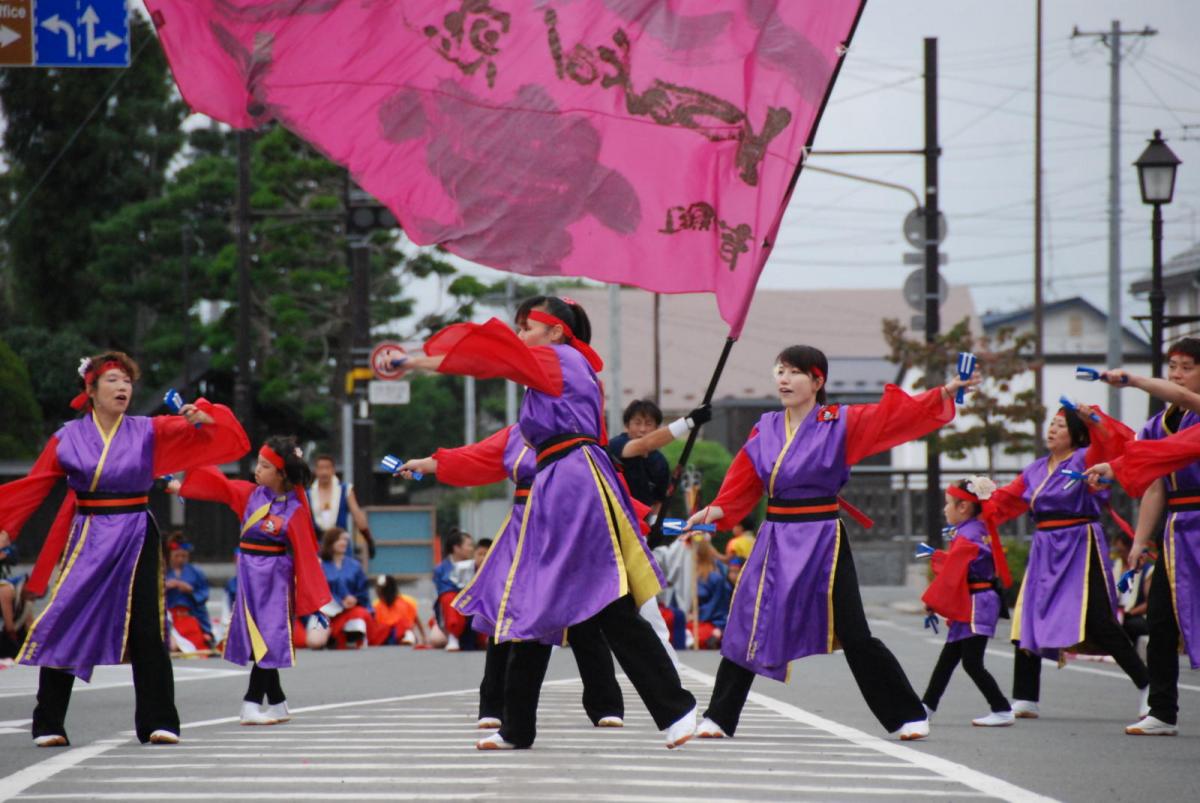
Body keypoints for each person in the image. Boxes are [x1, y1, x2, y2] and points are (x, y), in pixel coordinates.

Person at [398, 295, 698, 750]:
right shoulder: (548, 381)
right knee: (535, 607)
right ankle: (517, 727)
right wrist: (430, 461)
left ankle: (675, 708)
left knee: (610, 607)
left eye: (527, 327)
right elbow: (483, 452)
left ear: (556, 331)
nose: (520, 337)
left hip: (575, 481)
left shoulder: (561, 359)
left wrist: (415, 361)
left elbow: (489, 356)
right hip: (557, 488)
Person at [684, 345, 979, 742]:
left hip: (822, 536)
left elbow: (893, 415)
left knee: (855, 633)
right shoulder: (767, 427)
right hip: (775, 537)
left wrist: (943, 391)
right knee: (748, 624)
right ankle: (718, 717)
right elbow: (743, 483)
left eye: (794, 372)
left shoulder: (839, 421)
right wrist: (712, 513)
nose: (783, 379)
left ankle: (907, 713)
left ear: (817, 380)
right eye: (779, 371)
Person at [0, 351, 249, 746]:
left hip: (136, 532)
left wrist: (205, 418)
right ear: (91, 390)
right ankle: (48, 722)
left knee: (147, 627)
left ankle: (159, 720)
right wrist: (6, 529)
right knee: (66, 618)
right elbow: (36, 485)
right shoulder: (67, 437)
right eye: (113, 380)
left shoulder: (148, 430)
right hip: (88, 535)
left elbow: (218, 439)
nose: (122, 388)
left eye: (127, 382)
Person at [401, 423, 625, 729]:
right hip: (522, 531)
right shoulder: (516, 435)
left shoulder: (581, 429)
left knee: (582, 614)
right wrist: (426, 465)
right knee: (502, 613)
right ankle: (493, 704)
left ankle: (605, 704)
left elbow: (606, 478)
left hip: (567, 530)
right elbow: (475, 457)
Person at [982, 402, 1149, 722]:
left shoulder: (1085, 459)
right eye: (1051, 424)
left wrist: (1095, 420)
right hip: (1045, 545)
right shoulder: (1034, 469)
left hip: (1078, 542)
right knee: (1028, 616)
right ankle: (1026, 696)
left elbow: (1112, 448)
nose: (1052, 429)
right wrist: (978, 498)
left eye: (1060, 425)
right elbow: (1006, 500)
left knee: (1099, 617)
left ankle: (1147, 687)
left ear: (1076, 434)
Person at [173, 438, 331, 725]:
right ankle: (275, 703)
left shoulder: (294, 509)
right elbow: (219, 486)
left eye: (265, 465)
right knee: (261, 640)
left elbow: (307, 553)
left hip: (275, 580)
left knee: (267, 639)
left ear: (282, 474)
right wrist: (182, 485)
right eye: (258, 463)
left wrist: (312, 597)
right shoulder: (250, 494)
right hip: (249, 575)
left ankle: (252, 703)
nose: (257, 470)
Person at [1085, 350, 1200, 736]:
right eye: (1173, 368)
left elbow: (1185, 399)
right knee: (1161, 621)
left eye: (1188, 367)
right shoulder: (1157, 424)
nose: (1178, 375)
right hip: (1175, 532)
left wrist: (1133, 380)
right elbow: (1155, 486)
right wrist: (1140, 542)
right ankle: (1163, 711)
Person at [920, 477, 1014, 726]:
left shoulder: (969, 534)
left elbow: (954, 570)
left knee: (971, 662)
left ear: (963, 507)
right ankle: (926, 706)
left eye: (948, 503)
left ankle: (1002, 708)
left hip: (976, 602)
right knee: (949, 657)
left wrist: (933, 597)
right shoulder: (975, 530)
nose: (944, 508)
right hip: (975, 599)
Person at [310, 454, 376, 566]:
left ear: (333, 470)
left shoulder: (345, 490)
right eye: (321, 468)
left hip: (341, 543)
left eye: (327, 467)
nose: (324, 472)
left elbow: (357, 514)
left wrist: (368, 539)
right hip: (317, 545)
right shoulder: (308, 494)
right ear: (316, 471)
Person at [319, 527, 376, 649]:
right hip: (327, 612)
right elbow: (315, 591)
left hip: (351, 609)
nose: (344, 543)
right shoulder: (320, 565)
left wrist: (355, 599)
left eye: (346, 540)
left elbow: (363, 591)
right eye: (340, 539)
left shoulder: (355, 566)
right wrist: (339, 602)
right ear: (331, 541)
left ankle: (351, 636)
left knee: (360, 613)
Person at [163, 534, 214, 653]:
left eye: (184, 556)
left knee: (196, 645)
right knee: (172, 645)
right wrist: (164, 587)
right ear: (170, 555)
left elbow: (204, 594)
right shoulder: (163, 571)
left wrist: (190, 590)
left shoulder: (195, 572)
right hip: (170, 618)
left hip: (189, 616)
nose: (180, 559)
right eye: (176, 556)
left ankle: (205, 634)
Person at [433, 528, 475, 651]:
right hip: (450, 609)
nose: (471, 549)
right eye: (468, 545)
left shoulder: (475, 564)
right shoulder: (440, 569)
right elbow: (441, 592)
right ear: (457, 548)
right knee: (448, 596)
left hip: (471, 605)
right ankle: (453, 635)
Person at [692, 537, 732, 649]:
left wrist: (697, 615)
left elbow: (718, 607)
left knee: (699, 636)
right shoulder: (687, 574)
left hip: (710, 619)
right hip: (692, 619)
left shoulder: (715, 578)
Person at [373, 575, 426, 645]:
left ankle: (408, 637)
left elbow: (416, 619)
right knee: (383, 628)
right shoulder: (376, 605)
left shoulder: (405, 602)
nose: (379, 594)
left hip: (401, 632)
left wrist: (423, 636)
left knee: (403, 623)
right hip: (385, 635)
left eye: (380, 592)